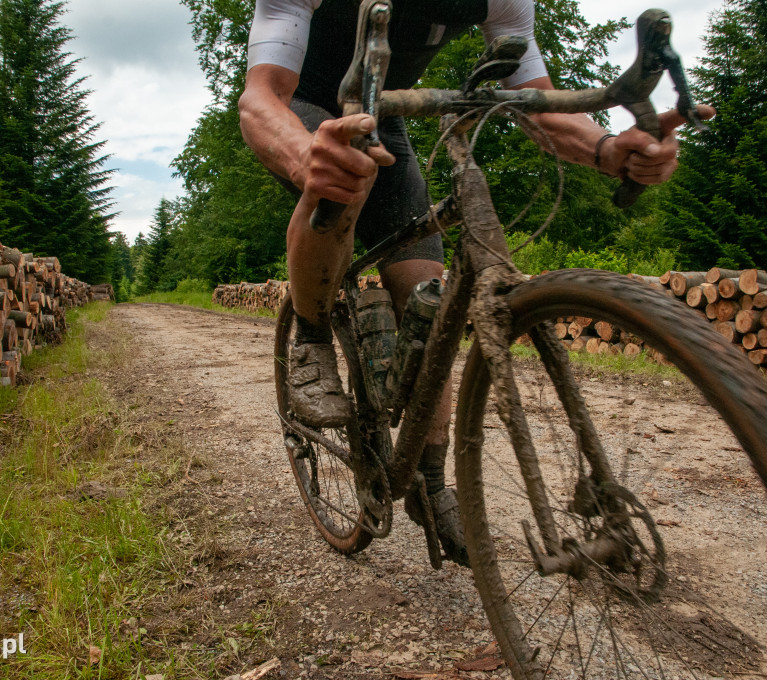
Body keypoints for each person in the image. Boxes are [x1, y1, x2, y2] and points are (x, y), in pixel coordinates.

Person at [238, 0, 710, 567]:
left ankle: (431, 483)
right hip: (304, 109)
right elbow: (261, 97)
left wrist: (610, 150)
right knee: (337, 191)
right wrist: (302, 156)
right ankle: (311, 338)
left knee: (427, 301)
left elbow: (541, 101)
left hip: (379, 112)